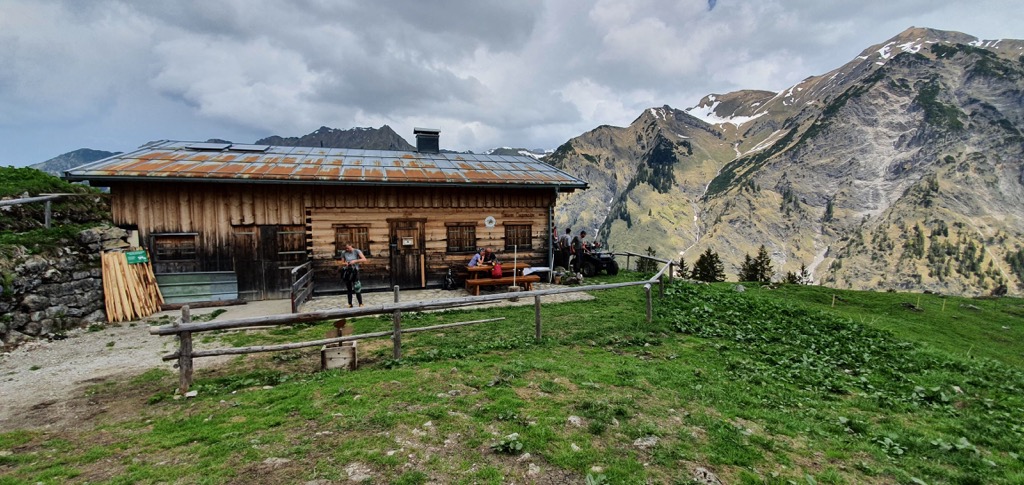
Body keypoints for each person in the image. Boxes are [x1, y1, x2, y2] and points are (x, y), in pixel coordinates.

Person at [339, 243, 367, 308]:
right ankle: (350, 303)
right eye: (346, 248)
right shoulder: (343, 252)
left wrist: (355, 261)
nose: (347, 249)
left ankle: (360, 303)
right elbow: (342, 262)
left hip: (355, 271)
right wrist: (345, 263)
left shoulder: (357, 251)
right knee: (349, 288)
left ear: (351, 246)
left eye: (348, 248)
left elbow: (364, 259)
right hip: (347, 271)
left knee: (357, 287)